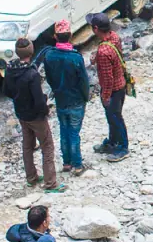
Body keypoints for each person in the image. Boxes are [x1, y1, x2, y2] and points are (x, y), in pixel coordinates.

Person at [2, 37, 57, 190]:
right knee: (47, 146)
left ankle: (31, 177)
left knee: (27, 145)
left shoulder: (10, 69)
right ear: (31, 51)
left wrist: (18, 99)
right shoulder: (32, 74)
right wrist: (45, 111)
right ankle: (50, 182)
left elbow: (6, 91)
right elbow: (39, 100)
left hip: (21, 113)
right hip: (36, 116)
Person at [40, 21, 92, 175]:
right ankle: (77, 164)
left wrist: (56, 90)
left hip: (61, 99)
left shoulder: (49, 55)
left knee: (63, 130)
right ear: (70, 35)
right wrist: (85, 97)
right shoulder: (75, 58)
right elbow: (83, 81)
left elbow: (49, 78)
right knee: (74, 132)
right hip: (76, 99)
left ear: (55, 36)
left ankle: (66, 163)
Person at [89, 12, 129, 158]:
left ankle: (123, 148)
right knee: (114, 117)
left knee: (115, 118)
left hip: (113, 90)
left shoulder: (103, 52)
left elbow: (107, 79)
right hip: (121, 85)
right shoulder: (114, 37)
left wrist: (105, 97)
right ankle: (112, 142)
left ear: (96, 29)